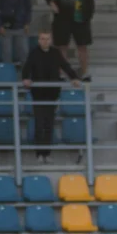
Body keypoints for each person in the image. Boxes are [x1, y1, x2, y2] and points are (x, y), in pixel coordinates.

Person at [22, 30, 82, 163]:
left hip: (52, 94)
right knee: (39, 125)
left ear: (51, 40)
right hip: (38, 95)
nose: (45, 41)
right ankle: (39, 154)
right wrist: (25, 78)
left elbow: (65, 66)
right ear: (39, 40)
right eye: (42, 39)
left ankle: (47, 153)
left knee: (49, 125)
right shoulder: (34, 53)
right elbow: (26, 68)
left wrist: (74, 78)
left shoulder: (55, 53)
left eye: (47, 39)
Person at [45, 0, 95, 80]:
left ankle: (85, 72)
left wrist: (87, 16)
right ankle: (62, 74)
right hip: (61, 18)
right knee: (62, 47)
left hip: (80, 18)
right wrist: (52, 3)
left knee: (82, 46)